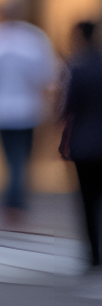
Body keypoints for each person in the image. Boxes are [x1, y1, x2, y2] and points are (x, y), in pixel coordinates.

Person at [0, 0, 61, 216]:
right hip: (26, 109)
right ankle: (15, 199)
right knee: (19, 157)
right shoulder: (33, 38)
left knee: (11, 157)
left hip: (2, 109)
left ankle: (13, 199)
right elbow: (47, 75)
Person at [61, 20, 102, 270]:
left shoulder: (78, 68)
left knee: (87, 201)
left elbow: (69, 108)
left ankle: (93, 254)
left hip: (85, 143)